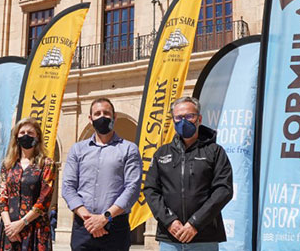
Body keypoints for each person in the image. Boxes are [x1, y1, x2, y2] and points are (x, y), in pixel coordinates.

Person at [143, 96, 233, 251]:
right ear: (173, 121)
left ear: (199, 118)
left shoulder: (215, 151)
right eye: (178, 117)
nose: (183, 121)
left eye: (189, 116)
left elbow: (223, 190)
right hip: (170, 238)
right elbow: (151, 190)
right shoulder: (161, 153)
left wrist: (195, 223)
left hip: (204, 238)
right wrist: (170, 221)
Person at [62, 98, 142, 251]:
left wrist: (105, 217)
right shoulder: (77, 150)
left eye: (106, 113)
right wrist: (90, 220)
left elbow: (132, 189)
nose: (102, 117)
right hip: (83, 226)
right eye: (97, 114)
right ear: (90, 119)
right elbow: (68, 187)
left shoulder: (129, 149)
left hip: (115, 226)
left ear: (114, 117)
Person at [0, 117, 56, 251]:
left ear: (37, 137)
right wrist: (9, 227)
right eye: (22, 133)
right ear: (16, 137)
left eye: (30, 133)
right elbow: (1, 197)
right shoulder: (8, 165)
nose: (26, 136)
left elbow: (44, 200)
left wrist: (21, 224)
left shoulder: (46, 164)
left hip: (35, 229)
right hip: (9, 229)